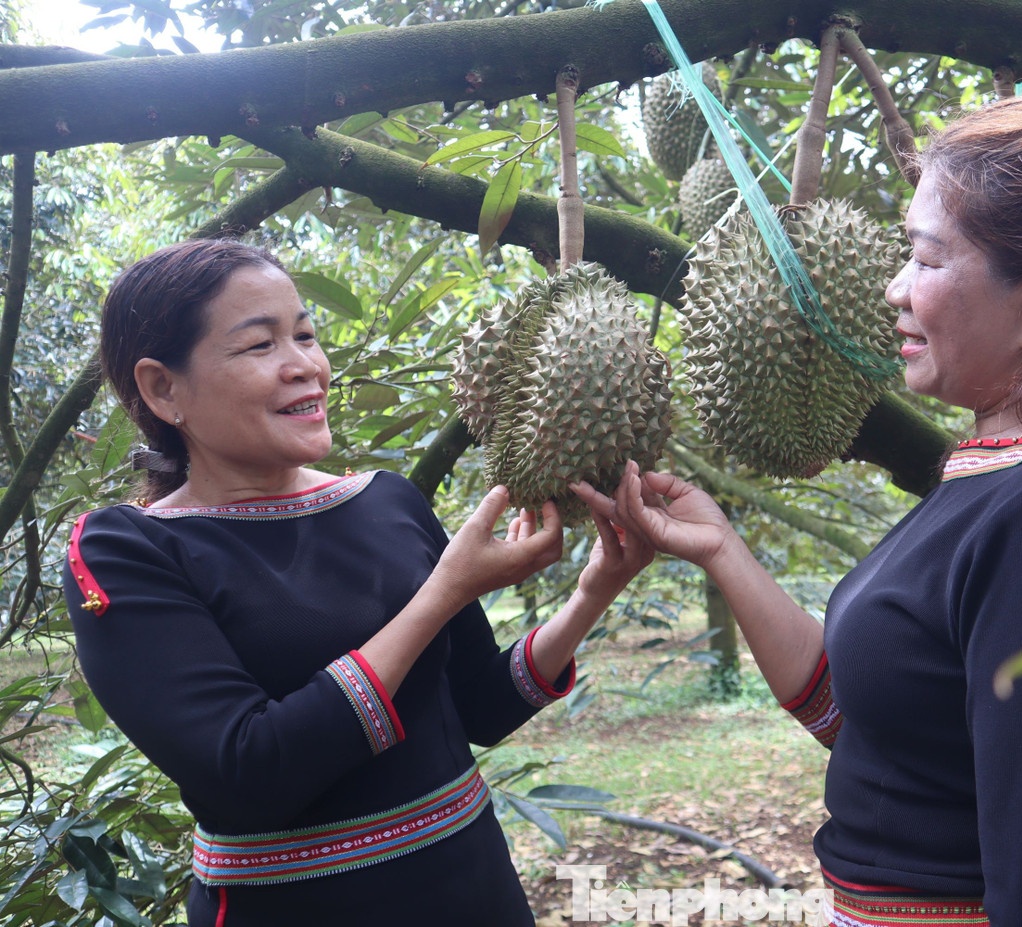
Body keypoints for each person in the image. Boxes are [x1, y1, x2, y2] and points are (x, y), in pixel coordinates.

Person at [575, 90, 1022, 926]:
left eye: (926, 260)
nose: (894, 289)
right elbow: (891, 730)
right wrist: (723, 549)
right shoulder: (998, 480)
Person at [63, 239, 651, 926]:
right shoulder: (126, 548)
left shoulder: (388, 498)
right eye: (261, 345)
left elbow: (480, 707)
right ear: (164, 387)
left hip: (473, 888)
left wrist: (594, 590)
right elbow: (250, 772)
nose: (305, 366)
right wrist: (443, 593)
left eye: (306, 336)